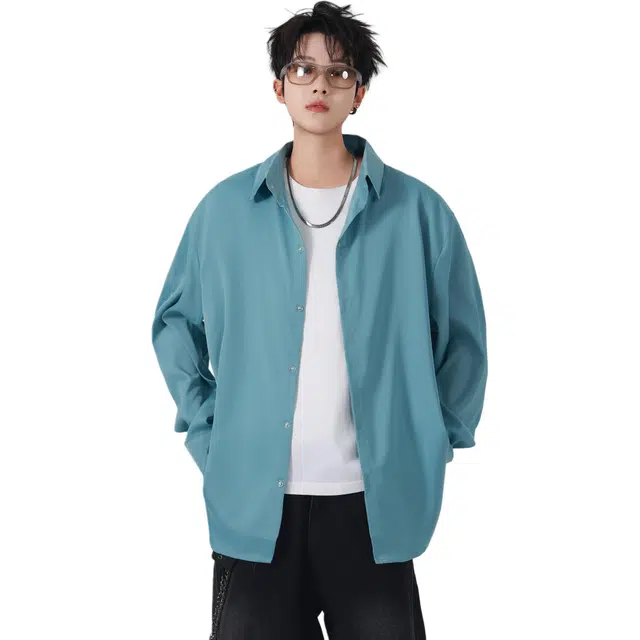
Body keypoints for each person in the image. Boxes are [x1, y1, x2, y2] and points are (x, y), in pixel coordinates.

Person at [151, 2, 488, 638]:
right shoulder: (225, 211)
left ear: (359, 93)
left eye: (339, 72)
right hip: (253, 503)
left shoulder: (418, 212)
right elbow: (174, 324)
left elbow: (464, 342)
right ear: (278, 86)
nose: (320, 85)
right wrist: (209, 431)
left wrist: (433, 438)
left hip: (374, 506)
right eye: (303, 69)